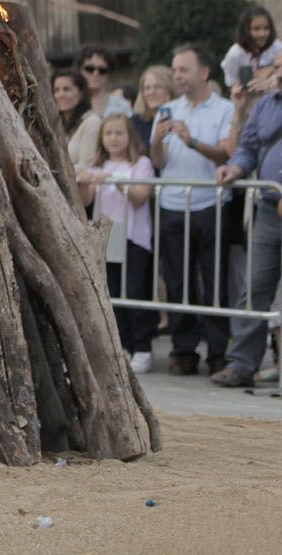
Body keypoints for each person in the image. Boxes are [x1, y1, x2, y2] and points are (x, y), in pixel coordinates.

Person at [150, 45, 237, 376]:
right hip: (173, 205)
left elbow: (227, 154)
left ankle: (218, 351)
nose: (177, 76)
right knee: (177, 281)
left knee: (214, 281)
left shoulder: (225, 109)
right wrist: (157, 140)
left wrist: (193, 141)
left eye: (184, 69)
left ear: (204, 71)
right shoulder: (167, 109)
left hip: (210, 206)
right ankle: (183, 349)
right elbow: (158, 161)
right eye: (175, 70)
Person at [211, 74, 282, 388]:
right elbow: (248, 148)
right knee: (254, 288)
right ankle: (241, 364)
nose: (276, 70)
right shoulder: (266, 104)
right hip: (269, 208)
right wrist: (235, 168)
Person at [76, 114, 157, 374]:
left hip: (133, 237)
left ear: (129, 136)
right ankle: (121, 343)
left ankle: (142, 347)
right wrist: (86, 180)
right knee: (112, 292)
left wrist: (115, 182)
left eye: (119, 133)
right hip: (107, 238)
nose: (114, 138)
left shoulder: (141, 164)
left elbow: (140, 196)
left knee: (134, 290)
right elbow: (85, 200)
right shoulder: (98, 166)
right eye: (108, 133)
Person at [220, 4, 280, 96]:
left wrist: (268, 82)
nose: (262, 34)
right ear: (246, 30)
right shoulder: (235, 54)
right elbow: (231, 84)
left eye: (266, 28)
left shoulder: (277, 47)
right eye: (256, 29)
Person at [51, 67, 100, 175]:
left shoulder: (91, 122)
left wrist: (51, 173)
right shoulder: (54, 123)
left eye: (67, 89)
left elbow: (86, 166)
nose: (61, 95)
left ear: (81, 93)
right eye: (56, 90)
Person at [75, 45, 132, 118]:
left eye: (102, 70)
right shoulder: (70, 102)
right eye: (89, 69)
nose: (96, 73)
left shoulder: (121, 105)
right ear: (80, 70)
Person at [129, 64, 174, 151]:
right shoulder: (134, 122)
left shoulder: (181, 117)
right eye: (147, 88)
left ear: (170, 90)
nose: (151, 92)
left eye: (158, 87)